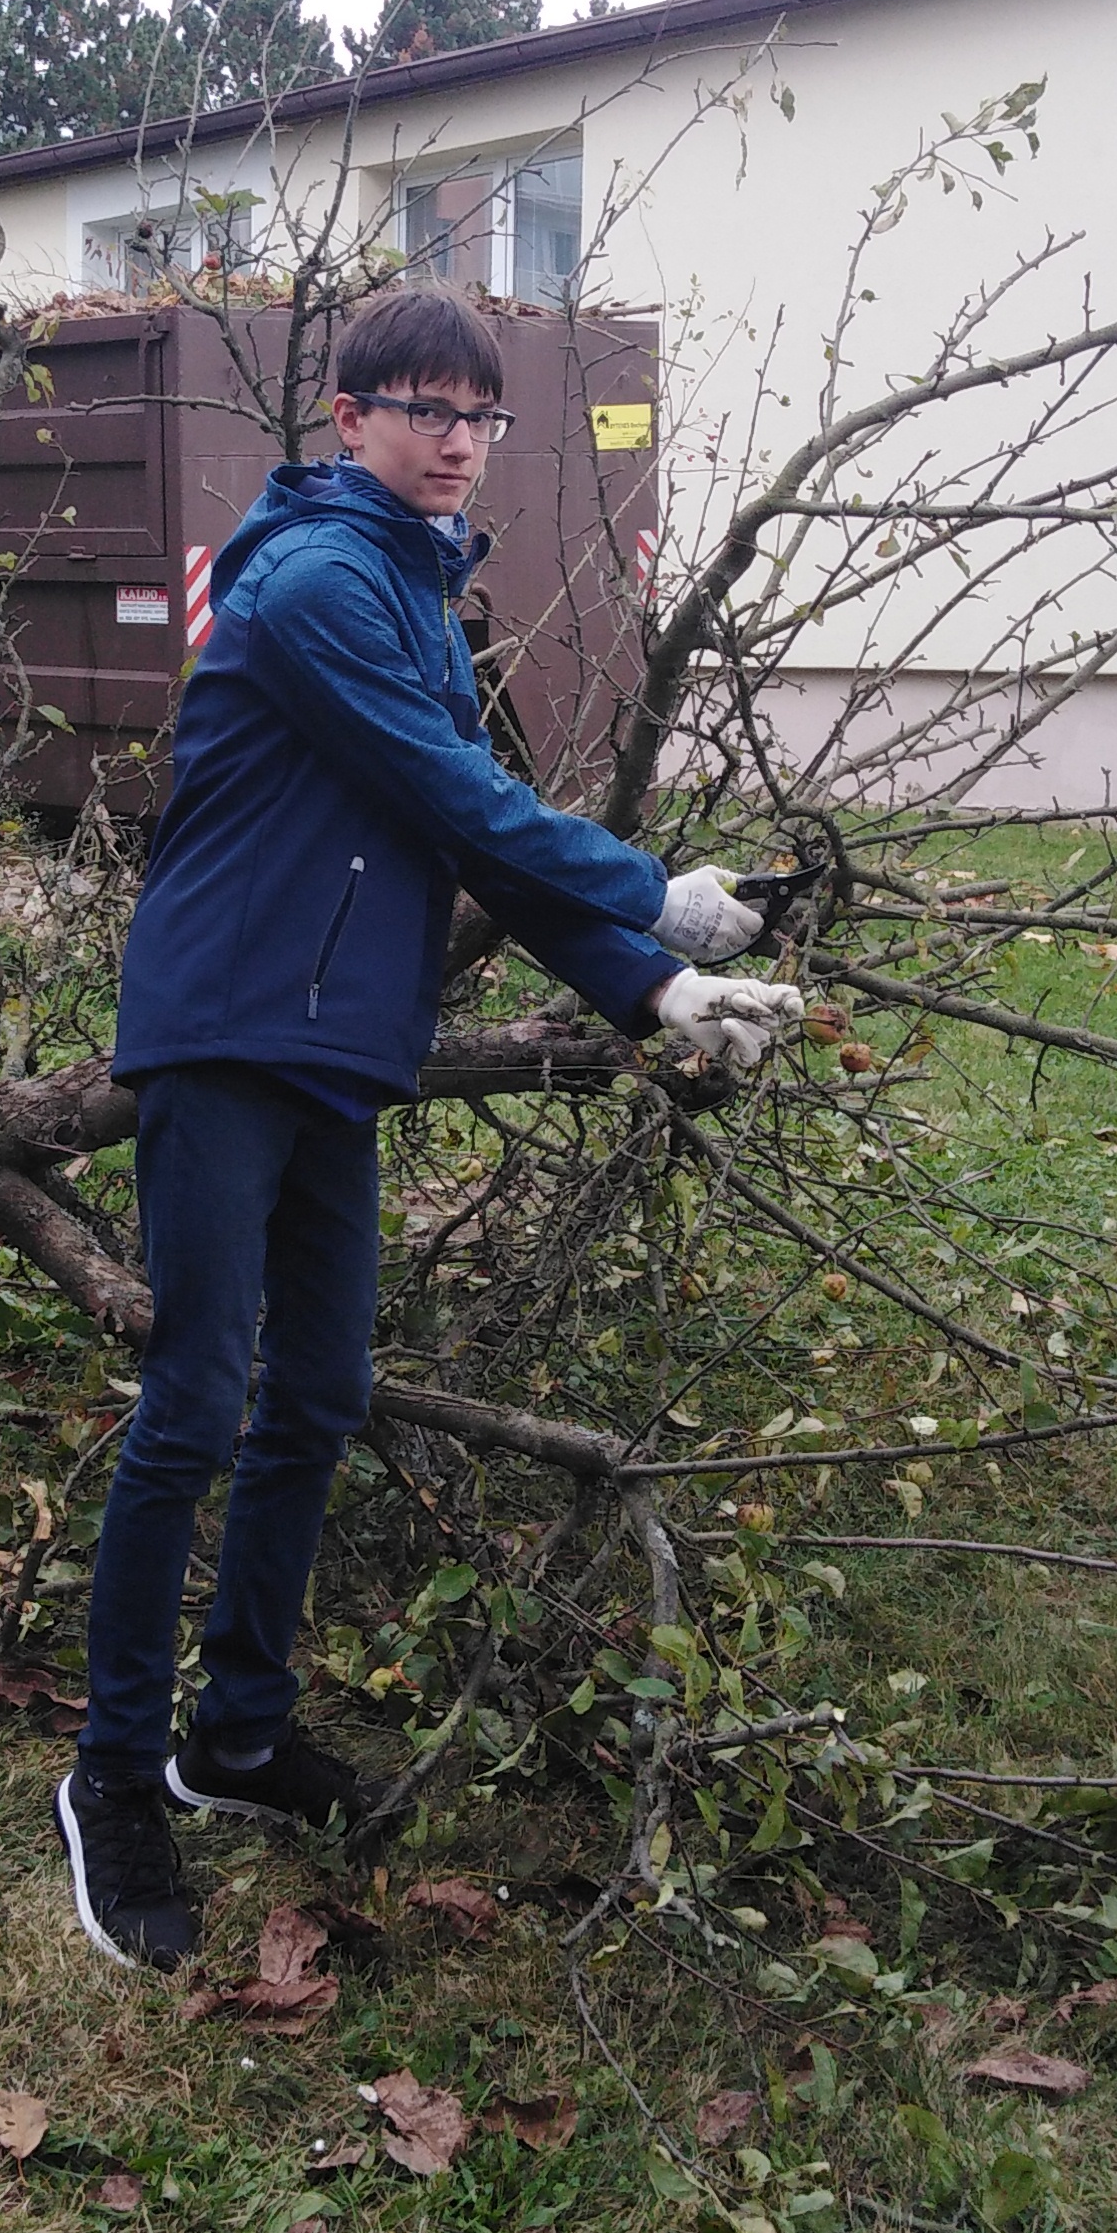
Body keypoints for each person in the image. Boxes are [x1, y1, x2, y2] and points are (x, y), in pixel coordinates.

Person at [53, 280, 804, 1972]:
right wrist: (651, 898)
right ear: (350, 419)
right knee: (195, 1404)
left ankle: (233, 1734)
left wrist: (646, 991)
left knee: (311, 1394)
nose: (458, 440)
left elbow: (450, 837)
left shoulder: (406, 585)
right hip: (229, 1022)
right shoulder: (324, 578)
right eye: (423, 408)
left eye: (480, 414)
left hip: (331, 1042)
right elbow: (470, 800)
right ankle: (113, 1775)